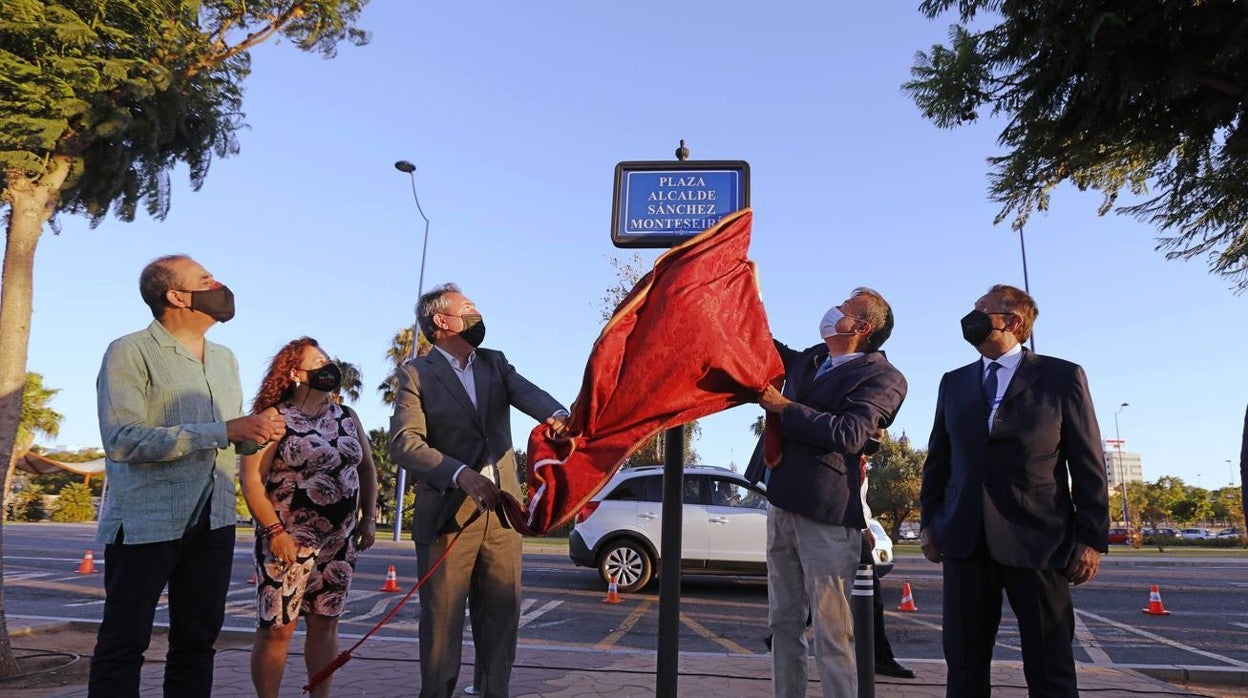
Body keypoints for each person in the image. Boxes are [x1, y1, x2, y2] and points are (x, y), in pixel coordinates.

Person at [90, 254, 286, 697]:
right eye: (206, 279)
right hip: (145, 522)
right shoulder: (129, 350)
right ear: (177, 296)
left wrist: (258, 432)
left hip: (213, 521)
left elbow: (231, 438)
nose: (219, 283)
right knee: (124, 641)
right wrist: (224, 429)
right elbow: (123, 439)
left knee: (197, 642)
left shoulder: (225, 359)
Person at [919, 284, 1109, 698]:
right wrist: (929, 523)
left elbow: (1088, 464)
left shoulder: (1061, 377)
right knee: (965, 664)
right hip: (965, 541)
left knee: (1050, 664)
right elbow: (939, 460)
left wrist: (1091, 538)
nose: (972, 316)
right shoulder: (953, 383)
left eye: (982, 309)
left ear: (1013, 321)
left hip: (1038, 541)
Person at [389, 283, 569, 698]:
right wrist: (461, 475)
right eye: (467, 307)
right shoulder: (416, 373)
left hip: (503, 516)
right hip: (449, 518)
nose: (477, 313)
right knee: (441, 626)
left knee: (501, 622)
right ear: (442, 321)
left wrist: (559, 415)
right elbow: (405, 444)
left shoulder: (494, 362)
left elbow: (530, 394)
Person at [745, 287, 908, 698]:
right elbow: (761, 341)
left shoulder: (883, 377)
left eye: (845, 308)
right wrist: (748, 291)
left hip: (827, 512)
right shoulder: (813, 359)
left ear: (862, 327)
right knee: (783, 623)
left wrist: (784, 408)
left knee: (832, 632)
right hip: (781, 500)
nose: (832, 310)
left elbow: (851, 434)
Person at [241, 337, 379, 698]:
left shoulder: (347, 417)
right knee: (277, 627)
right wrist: (274, 531)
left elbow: (366, 468)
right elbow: (251, 479)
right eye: (316, 361)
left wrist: (367, 520)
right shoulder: (273, 417)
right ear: (294, 373)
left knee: (326, 622)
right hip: (287, 540)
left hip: (339, 542)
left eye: (327, 359)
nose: (327, 366)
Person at [860, 452, 916, 680]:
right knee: (871, 598)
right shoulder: (850, 457)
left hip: (853, 530)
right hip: (850, 531)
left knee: (834, 592)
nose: (880, 433)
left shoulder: (860, 463)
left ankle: (778, 637)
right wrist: (864, 528)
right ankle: (880, 659)